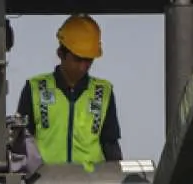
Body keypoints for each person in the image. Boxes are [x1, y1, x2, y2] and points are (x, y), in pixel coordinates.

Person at [14, 14, 122, 170]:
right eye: (78, 59)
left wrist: (118, 177)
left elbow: (110, 145)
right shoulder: (35, 88)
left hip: (93, 183)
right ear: (61, 53)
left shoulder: (103, 92)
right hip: (44, 181)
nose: (83, 66)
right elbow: (21, 142)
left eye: (88, 59)